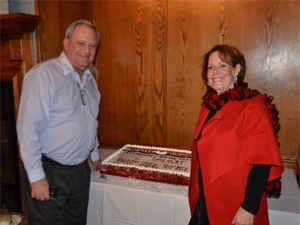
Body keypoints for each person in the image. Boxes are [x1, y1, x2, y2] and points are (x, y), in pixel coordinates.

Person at [17, 19, 102, 225]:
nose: (86, 50)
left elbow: (90, 121)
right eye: (81, 43)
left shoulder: (90, 80)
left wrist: (94, 154)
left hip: (80, 173)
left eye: (92, 46)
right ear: (66, 43)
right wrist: (36, 177)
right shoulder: (43, 75)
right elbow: (27, 130)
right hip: (50, 173)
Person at [188, 45, 284, 225]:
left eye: (222, 65)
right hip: (206, 200)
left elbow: (262, 162)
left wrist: (249, 207)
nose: (215, 72)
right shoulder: (209, 105)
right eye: (210, 67)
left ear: (237, 70)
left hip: (235, 204)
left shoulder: (253, 105)